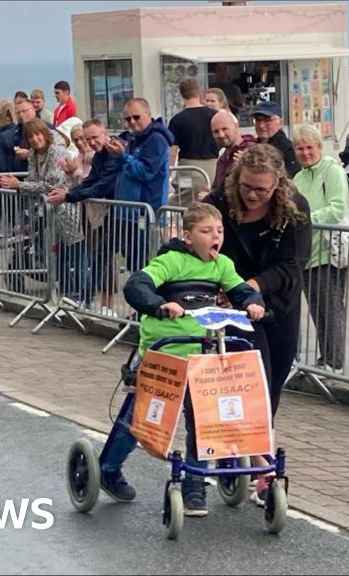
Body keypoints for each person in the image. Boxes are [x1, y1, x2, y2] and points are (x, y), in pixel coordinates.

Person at [99, 202, 266, 517]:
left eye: (219, 231)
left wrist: (253, 302)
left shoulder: (221, 265)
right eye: (206, 231)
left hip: (202, 356)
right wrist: (161, 304)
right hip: (164, 355)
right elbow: (137, 285)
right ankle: (108, 469)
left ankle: (194, 485)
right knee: (139, 421)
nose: (215, 236)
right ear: (188, 236)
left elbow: (241, 290)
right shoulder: (171, 261)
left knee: (203, 422)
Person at [202, 144, 311, 506]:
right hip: (233, 308)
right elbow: (203, 247)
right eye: (247, 186)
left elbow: (293, 264)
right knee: (251, 382)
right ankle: (263, 467)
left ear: (277, 185)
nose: (252, 195)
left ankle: (253, 444)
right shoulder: (221, 201)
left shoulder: (295, 208)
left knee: (273, 381)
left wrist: (252, 287)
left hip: (278, 302)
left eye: (261, 190)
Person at [0, 118, 89, 307]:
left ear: (45, 134)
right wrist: (19, 184)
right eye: (30, 136)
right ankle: (66, 292)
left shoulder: (57, 152)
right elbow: (33, 179)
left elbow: (51, 184)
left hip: (67, 209)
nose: (35, 139)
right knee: (59, 254)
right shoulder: (33, 155)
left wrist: (19, 185)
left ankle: (82, 294)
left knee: (76, 253)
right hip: (48, 211)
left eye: (38, 134)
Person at [46, 119, 121, 316]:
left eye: (93, 138)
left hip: (119, 211)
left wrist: (69, 196)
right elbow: (91, 182)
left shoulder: (114, 152)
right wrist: (69, 193)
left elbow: (103, 185)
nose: (88, 142)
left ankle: (102, 303)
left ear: (105, 133)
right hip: (95, 211)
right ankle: (87, 300)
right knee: (99, 256)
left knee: (119, 259)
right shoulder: (97, 156)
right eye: (86, 139)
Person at [291, 124, 349, 374]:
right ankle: (325, 357)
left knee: (331, 307)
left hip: (328, 250)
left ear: (319, 147)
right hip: (306, 252)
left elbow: (337, 208)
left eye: (309, 147)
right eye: (299, 148)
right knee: (317, 308)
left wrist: (306, 218)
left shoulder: (332, 171)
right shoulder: (298, 177)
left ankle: (334, 362)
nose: (305, 153)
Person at [167, 78, 219, 206]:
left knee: (183, 204)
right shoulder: (214, 115)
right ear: (199, 93)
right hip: (213, 169)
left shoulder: (177, 120)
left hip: (187, 170)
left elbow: (172, 152)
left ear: (181, 94)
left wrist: (168, 172)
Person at [209, 109, 256, 192]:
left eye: (224, 129)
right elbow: (217, 188)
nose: (221, 135)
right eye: (216, 131)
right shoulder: (222, 159)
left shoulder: (251, 151)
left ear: (236, 126)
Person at [252, 101, 300, 178]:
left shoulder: (287, 149)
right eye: (258, 120)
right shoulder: (253, 145)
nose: (261, 125)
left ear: (280, 123)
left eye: (267, 120)